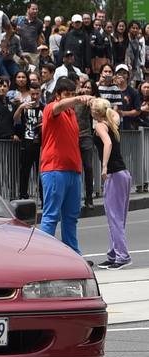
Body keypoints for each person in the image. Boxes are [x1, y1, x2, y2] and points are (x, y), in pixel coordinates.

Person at [39, 77, 93, 255]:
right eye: (66, 94)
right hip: (55, 168)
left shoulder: (71, 114)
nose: (70, 97)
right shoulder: (51, 109)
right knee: (51, 216)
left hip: (72, 170)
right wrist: (77, 99)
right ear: (57, 95)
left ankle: (73, 255)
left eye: (72, 94)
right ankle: (44, 255)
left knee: (71, 217)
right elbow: (58, 107)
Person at [91, 98, 132, 269]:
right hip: (123, 174)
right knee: (118, 218)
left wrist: (104, 166)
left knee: (114, 218)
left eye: (92, 107)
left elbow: (107, 143)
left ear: (96, 112)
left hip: (114, 174)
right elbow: (114, 113)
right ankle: (114, 253)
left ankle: (122, 255)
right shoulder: (111, 121)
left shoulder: (100, 125)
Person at [14, 82, 43, 201]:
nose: (35, 96)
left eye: (37, 94)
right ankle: (23, 195)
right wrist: (20, 107)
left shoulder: (44, 108)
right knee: (24, 171)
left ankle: (43, 197)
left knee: (41, 173)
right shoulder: (24, 107)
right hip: (27, 143)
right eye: (32, 94)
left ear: (40, 93)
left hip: (40, 144)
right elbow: (15, 119)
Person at [75, 79, 97, 209]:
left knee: (88, 167)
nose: (87, 89)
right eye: (85, 87)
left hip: (86, 136)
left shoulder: (91, 101)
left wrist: (90, 98)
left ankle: (89, 198)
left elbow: (97, 105)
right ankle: (75, 197)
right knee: (74, 169)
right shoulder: (75, 99)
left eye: (90, 87)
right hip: (73, 137)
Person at [114, 64, 141, 130]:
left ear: (128, 75)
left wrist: (123, 113)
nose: (122, 75)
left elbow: (138, 110)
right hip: (113, 124)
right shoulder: (112, 89)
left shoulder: (134, 92)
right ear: (115, 75)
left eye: (124, 73)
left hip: (128, 125)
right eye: (119, 73)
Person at [17, 2, 44, 67]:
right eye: (33, 9)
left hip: (33, 53)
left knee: (33, 73)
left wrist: (39, 50)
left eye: (36, 9)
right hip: (20, 52)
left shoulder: (39, 23)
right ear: (28, 9)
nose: (35, 11)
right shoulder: (19, 20)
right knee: (20, 74)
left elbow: (39, 37)